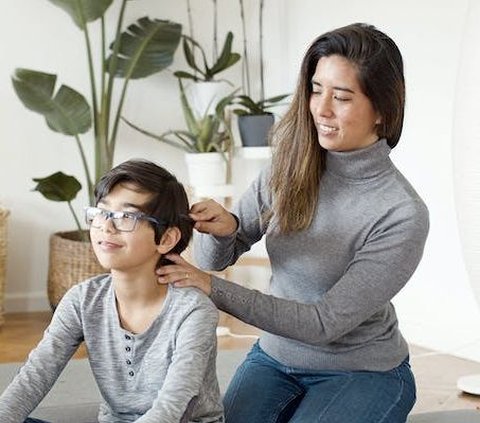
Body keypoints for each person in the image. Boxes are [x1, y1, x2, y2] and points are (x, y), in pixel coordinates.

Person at [156, 23, 430, 423]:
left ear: (383, 110)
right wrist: (225, 228)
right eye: (316, 90)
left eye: (342, 97)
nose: (321, 108)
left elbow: (323, 324)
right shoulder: (290, 163)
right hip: (275, 358)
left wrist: (210, 288)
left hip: (362, 371)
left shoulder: (401, 213)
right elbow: (217, 257)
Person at [0, 160, 224, 423]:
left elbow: (171, 406)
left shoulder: (194, 310)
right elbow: (35, 376)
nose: (106, 226)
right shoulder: (82, 300)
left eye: (126, 217)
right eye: (101, 212)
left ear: (165, 239)